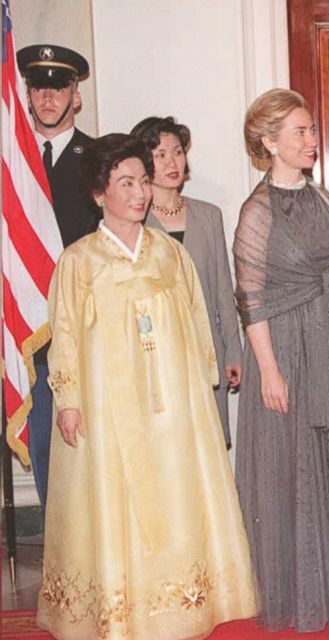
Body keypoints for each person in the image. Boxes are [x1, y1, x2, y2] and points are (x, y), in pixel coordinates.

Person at [37, 133, 257, 640]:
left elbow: (198, 319)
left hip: (172, 405)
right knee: (117, 499)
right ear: (100, 194)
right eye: (126, 183)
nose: (140, 193)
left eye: (143, 181)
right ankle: (119, 609)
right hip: (108, 408)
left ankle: (179, 606)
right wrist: (68, 400)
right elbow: (64, 335)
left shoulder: (168, 254)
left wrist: (204, 385)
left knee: (176, 493)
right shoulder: (80, 261)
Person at [234, 88, 329, 632]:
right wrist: (270, 371)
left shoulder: (325, 199)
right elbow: (251, 300)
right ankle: (302, 592)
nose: (311, 139)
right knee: (297, 470)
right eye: (299, 132)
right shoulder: (256, 212)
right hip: (287, 352)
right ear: (268, 142)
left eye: (310, 130)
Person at [16, 44, 97, 511]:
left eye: (59, 86)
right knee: (46, 445)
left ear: (76, 96)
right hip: (29, 333)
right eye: (38, 86)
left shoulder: (99, 159)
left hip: (85, 329)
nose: (48, 96)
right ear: (27, 95)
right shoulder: (13, 163)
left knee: (91, 448)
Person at [131, 116, 242, 447]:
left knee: (208, 446)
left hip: (207, 351)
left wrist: (233, 350)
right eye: (160, 154)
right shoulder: (135, 220)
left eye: (177, 152)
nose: (172, 162)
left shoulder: (208, 215)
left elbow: (223, 289)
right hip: (157, 355)